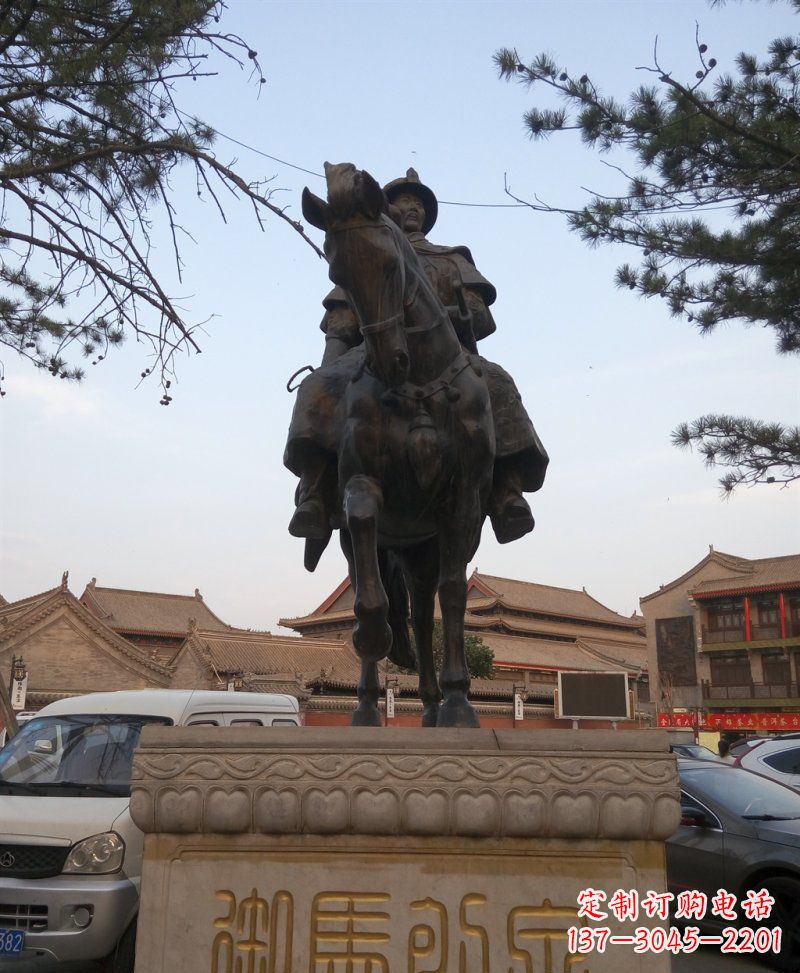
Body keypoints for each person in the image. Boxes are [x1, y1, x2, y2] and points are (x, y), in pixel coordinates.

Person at [284, 168, 548, 567]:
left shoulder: (451, 258)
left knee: (499, 382)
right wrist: (328, 367)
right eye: (403, 202)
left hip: (446, 355)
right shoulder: (363, 245)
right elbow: (341, 319)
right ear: (384, 209)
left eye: (418, 203)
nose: (411, 208)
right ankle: (317, 492)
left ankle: (506, 493)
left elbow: (481, 316)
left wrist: (451, 311)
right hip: (374, 347)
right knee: (315, 389)